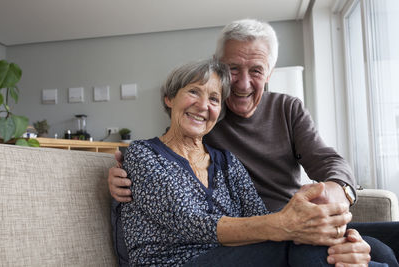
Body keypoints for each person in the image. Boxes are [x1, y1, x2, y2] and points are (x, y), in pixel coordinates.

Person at [110, 19, 399, 266]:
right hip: (233, 243)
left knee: (383, 243)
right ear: (169, 98)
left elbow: (326, 161)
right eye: (233, 69)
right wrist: (119, 179)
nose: (242, 84)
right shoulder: (157, 148)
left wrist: (336, 197)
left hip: (272, 230)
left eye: (212, 98)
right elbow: (180, 198)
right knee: (308, 245)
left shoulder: (240, 145)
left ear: (269, 74)